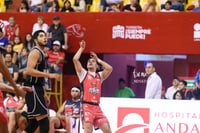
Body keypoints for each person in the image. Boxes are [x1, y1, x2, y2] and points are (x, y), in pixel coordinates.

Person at [23, 30, 60, 133]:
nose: (45, 38)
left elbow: (40, 78)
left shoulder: (42, 53)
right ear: (35, 40)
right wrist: (49, 75)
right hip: (32, 88)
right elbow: (29, 70)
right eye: (41, 36)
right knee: (44, 122)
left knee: (33, 123)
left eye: (45, 36)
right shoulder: (35, 52)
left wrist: (44, 93)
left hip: (37, 88)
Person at [73, 40, 112, 133]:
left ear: (97, 66)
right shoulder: (83, 74)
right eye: (89, 61)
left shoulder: (100, 76)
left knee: (108, 130)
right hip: (86, 106)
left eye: (93, 61)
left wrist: (98, 59)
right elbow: (75, 59)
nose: (90, 62)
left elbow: (109, 68)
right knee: (88, 131)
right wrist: (81, 48)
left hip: (97, 108)